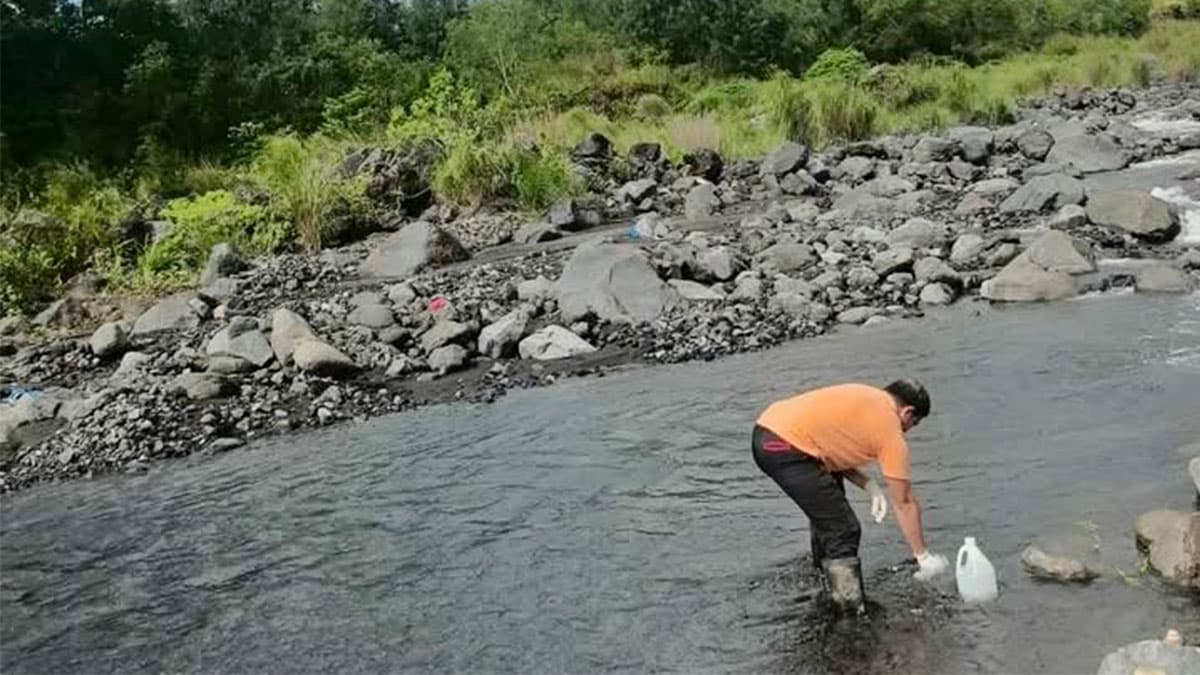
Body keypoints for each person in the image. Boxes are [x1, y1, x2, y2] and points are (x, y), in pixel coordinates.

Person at [751, 379, 948, 615]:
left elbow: (827, 444)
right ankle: (848, 608)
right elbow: (904, 503)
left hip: (768, 430)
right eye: (912, 424)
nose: (906, 430)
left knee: (829, 510)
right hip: (783, 447)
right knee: (843, 529)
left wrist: (867, 483)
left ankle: (822, 578)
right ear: (907, 411)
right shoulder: (890, 429)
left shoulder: (864, 396)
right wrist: (923, 556)